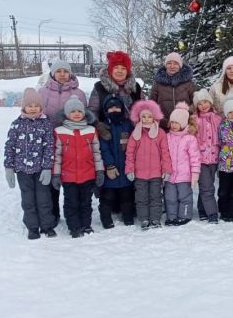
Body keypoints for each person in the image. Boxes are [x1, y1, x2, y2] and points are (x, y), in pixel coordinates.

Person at [38, 59, 88, 224]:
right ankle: (52, 213)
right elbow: (37, 114)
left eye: (65, 71)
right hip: (48, 139)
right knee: (52, 175)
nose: (62, 74)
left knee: (69, 175)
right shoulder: (43, 92)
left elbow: (84, 117)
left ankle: (74, 210)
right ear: (52, 73)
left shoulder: (78, 93)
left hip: (71, 140)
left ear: (70, 73)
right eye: (58, 71)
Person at [3, 88, 55, 240]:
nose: (33, 108)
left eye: (36, 105)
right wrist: (9, 168)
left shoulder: (46, 124)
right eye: (29, 105)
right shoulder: (16, 125)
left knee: (44, 199)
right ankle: (32, 227)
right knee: (28, 200)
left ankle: (47, 226)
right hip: (23, 170)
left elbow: (49, 146)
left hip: (40, 170)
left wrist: (47, 167)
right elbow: (9, 147)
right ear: (23, 107)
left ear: (41, 107)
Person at [51, 97, 105, 238]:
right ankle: (74, 227)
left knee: (86, 202)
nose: (76, 114)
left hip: (88, 174)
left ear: (84, 113)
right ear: (67, 114)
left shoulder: (91, 130)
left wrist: (99, 171)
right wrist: (56, 175)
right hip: (68, 176)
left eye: (79, 111)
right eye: (73, 111)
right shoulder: (60, 131)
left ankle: (86, 225)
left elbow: (96, 153)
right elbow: (57, 156)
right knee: (71, 202)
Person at [125, 100, 172, 229]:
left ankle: (155, 219)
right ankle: (144, 218)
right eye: (143, 116)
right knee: (141, 197)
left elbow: (165, 153)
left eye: (149, 116)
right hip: (140, 174)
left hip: (156, 173)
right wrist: (130, 169)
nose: (146, 119)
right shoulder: (136, 133)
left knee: (156, 197)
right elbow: (130, 153)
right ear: (138, 117)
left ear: (154, 117)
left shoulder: (160, 133)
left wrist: (166, 170)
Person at [98, 95, 135, 229]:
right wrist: (109, 165)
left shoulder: (128, 125)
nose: (115, 110)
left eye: (117, 107)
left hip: (126, 168)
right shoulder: (104, 127)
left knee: (127, 197)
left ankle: (128, 218)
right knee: (107, 197)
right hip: (111, 169)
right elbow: (104, 148)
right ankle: (106, 219)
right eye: (111, 107)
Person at [165, 103, 201, 226]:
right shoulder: (167, 137)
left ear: (184, 123)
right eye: (172, 122)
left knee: (184, 197)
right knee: (170, 198)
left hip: (184, 176)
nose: (174, 125)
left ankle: (184, 215)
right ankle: (171, 217)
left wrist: (195, 174)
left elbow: (195, 158)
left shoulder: (190, 139)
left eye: (177, 122)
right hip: (169, 176)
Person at [89, 51, 144, 125]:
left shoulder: (135, 87)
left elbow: (144, 109)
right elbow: (93, 111)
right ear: (110, 69)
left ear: (127, 71)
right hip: (107, 130)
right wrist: (98, 126)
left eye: (123, 68)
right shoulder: (99, 87)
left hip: (133, 132)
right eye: (116, 67)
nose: (119, 71)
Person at [192, 89, 222, 224]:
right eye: (199, 104)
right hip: (200, 160)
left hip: (214, 159)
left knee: (206, 185)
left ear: (210, 102)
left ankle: (202, 209)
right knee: (207, 187)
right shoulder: (194, 120)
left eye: (205, 102)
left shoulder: (217, 119)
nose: (203, 105)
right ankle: (212, 213)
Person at [149, 52, 196, 129]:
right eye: (169, 63)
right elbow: (151, 104)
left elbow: (195, 102)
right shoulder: (158, 83)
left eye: (175, 63)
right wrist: (161, 119)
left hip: (183, 124)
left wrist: (186, 114)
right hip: (163, 125)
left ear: (180, 66)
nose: (172, 66)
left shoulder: (188, 83)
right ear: (165, 65)